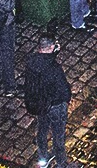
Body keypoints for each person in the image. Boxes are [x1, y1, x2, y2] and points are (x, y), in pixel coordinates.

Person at [22, 36, 72, 168]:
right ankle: (62, 163)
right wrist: (66, 100)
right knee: (58, 135)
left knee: (42, 129)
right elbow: (63, 89)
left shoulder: (31, 61)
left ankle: (43, 158)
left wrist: (54, 52)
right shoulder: (54, 68)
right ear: (51, 47)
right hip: (55, 105)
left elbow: (43, 62)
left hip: (40, 104)